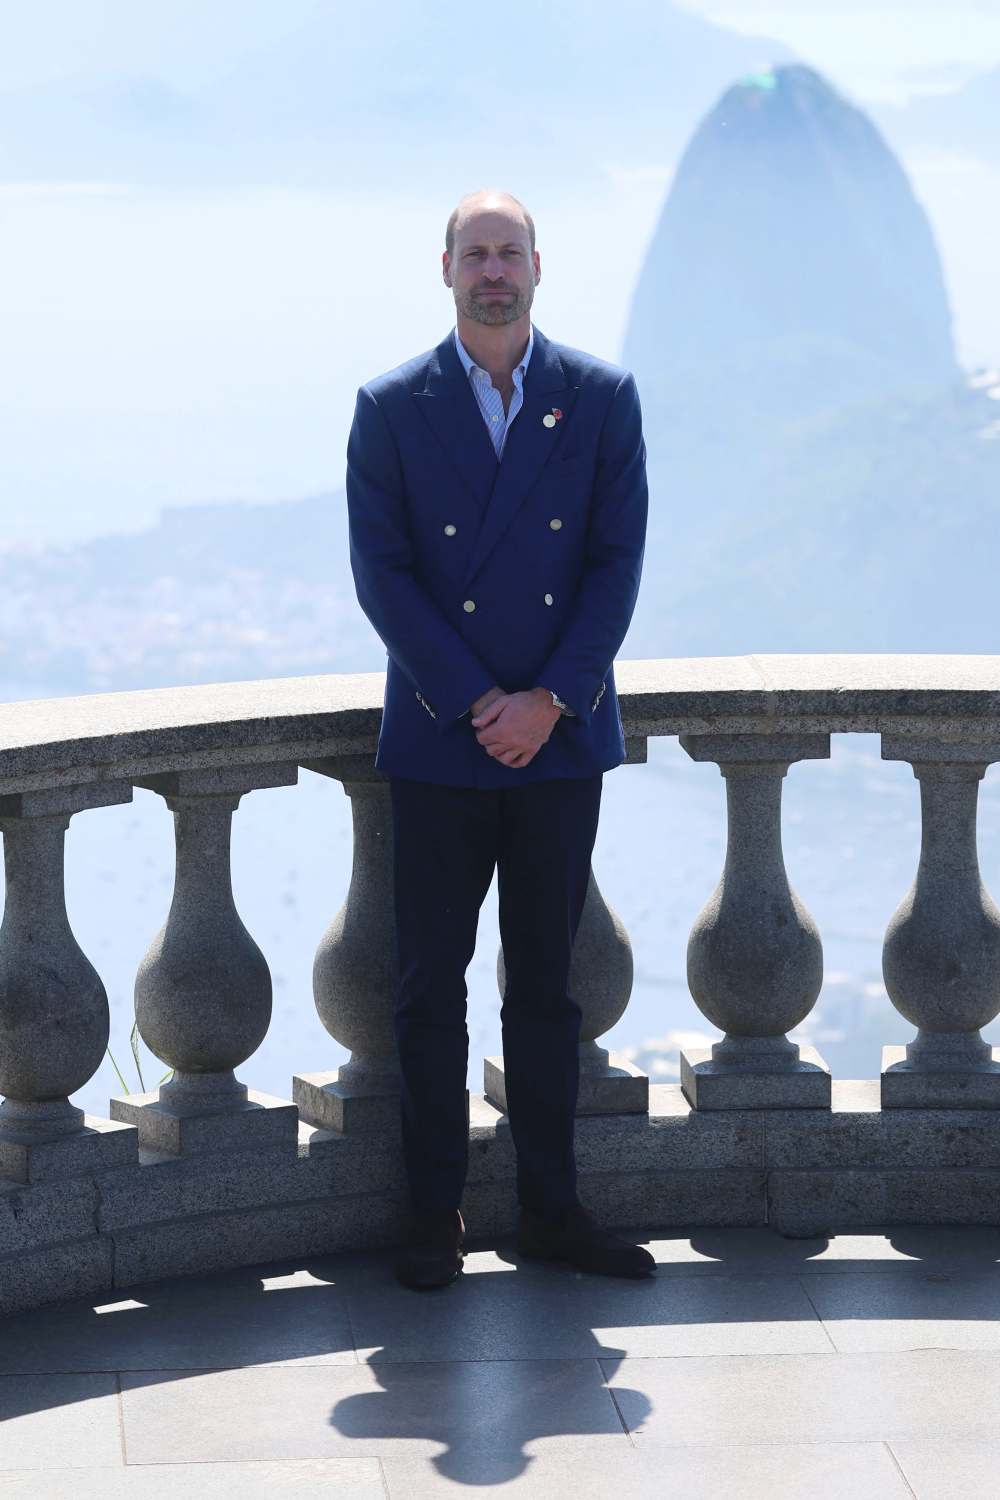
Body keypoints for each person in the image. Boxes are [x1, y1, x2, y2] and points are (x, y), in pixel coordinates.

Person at [346, 189, 652, 1288]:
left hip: (559, 741)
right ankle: (433, 1215)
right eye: (474, 252)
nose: (491, 270)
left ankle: (553, 1210)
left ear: (537, 267)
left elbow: (615, 565)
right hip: (441, 738)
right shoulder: (390, 405)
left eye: (507, 252)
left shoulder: (600, 397)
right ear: (445, 269)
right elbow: (382, 570)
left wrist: (548, 702)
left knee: (547, 990)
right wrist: (480, 700)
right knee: (431, 988)